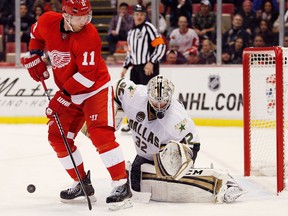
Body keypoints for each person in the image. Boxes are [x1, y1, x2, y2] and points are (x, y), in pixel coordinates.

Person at [21, 0, 132, 210]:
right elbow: (35, 36)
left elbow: (87, 77)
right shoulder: (46, 21)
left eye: (87, 15)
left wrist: (61, 97)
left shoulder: (89, 36)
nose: (85, 21)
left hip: (94, 89)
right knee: (57, 136)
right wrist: (35, 55)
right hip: (70, 91)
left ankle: (121, 183)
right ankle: (82, 183)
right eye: (79, 16)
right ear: (65, 15)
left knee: (100, 135)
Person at [108, 75, 244, 203]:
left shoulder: (177, 118)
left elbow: (193, 142)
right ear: (148, 96)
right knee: (136, 184)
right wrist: (113, 112)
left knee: (172, 180)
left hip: (169, 149)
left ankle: (222, 180)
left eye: (164, 101)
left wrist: (181, 164)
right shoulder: (135, 96)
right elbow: (116, 86)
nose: (160, 106)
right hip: (146, 152)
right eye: (156, 101)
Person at [120, 4, 166, 134]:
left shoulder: (149, 28)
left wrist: (151, 62)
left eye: (141, 14)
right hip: (135, 69)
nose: (139, 16)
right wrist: (125, 67)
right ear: (133, 16)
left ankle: (153, 126)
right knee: (133, 97)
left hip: (148, 68)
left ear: (145, 16)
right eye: (136, 14)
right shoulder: (131, 32)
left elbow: (160, 46)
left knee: (150, 97)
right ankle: (133, 123)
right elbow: (131, 53)